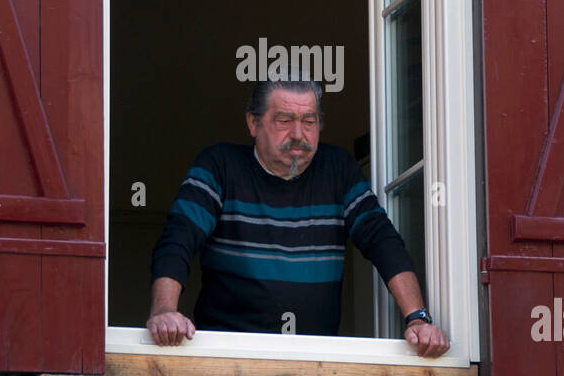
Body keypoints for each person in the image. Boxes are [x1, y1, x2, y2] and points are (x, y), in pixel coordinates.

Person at [147, 79, 450, 359]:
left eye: (309, 122)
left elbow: (381, 239)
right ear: (253, 123)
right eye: (284, 121)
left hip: (314, 359)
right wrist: (164, 311)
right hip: (227, 355)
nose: (298, 135)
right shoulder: (219, 166)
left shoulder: (336, 168)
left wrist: (418, 318)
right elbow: (179, 238)